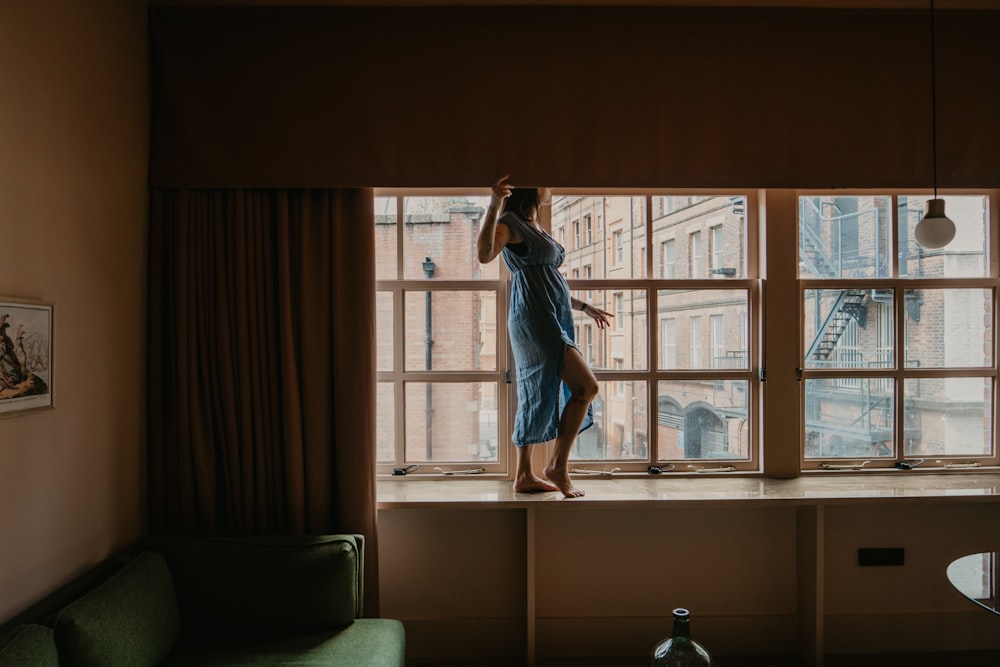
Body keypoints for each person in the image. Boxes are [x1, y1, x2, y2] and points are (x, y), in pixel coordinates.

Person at [477, 175, 612, 498]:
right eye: (547, 183)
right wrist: (494, 203)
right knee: (586, 386)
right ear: (533, 188)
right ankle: (557, 467)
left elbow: (549, 280)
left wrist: (582, 306)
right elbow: (484, 254)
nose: (552, 188)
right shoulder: (509, 222)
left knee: (536, 386)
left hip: (552, 313)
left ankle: (525, 474)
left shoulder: (531, 225)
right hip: (534, 316)